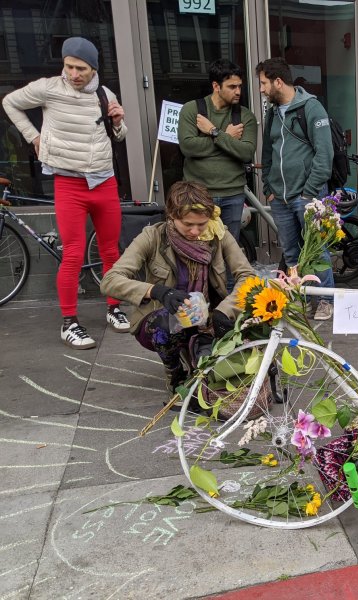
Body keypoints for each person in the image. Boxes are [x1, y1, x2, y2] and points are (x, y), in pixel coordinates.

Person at [2, 36, 130, 349]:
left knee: (111, 251)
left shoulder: (104, 92)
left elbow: (119, 135)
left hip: (103, 181)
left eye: (81, 68)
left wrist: (118, 121)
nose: (74, 74)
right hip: (69, 182)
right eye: (69, 66)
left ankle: (114, 307)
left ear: (93, 68)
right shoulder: (48, 87)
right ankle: (69, 322)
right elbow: (9, 102)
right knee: (72, 253)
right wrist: (34, 136)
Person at [100, 181, 254, 404]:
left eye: (201, 224)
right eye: (188, 224)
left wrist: (224, 310)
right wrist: (157, 291)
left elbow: (248, 277)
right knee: (164, 326)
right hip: (164, 318)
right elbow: (110, 281)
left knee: (260, 314)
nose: (195, 231)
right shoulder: (152, 237)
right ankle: (175, 376)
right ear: (172, 215)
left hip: (208, 317)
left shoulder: (218, 234)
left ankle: (199, 355)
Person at [256, 57, 335, 321]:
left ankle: (324, 300)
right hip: (280, 197)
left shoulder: (311, 108)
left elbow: (325, 155)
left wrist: (309, 192)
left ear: (278, 82)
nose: (262, 89)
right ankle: (300, 296)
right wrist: (269, 187)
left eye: (264, 83)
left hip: (307, 196)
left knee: (317, 249)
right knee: (290, 251)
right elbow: (268, 152)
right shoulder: (272, 112)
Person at [178, 59, 257, 244]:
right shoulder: (192, 110)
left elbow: (246, 153)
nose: (238, 91)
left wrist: (215, 133)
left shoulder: (245, 116)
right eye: (232, 86)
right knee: (198, 250)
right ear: (216, 86)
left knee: (229, 252)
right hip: (198, 195)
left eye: (239, 86)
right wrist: (228, 140)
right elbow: (188, 147)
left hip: (233, 194)